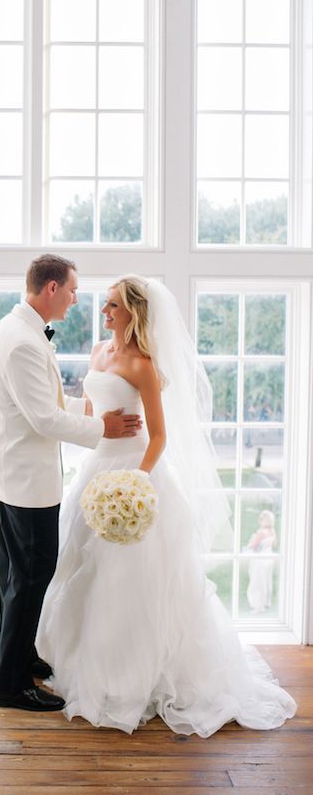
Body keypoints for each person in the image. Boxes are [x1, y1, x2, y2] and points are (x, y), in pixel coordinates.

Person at [37, 275, 296, 736]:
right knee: (84, 568)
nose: (105, 312)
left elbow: (158, 436)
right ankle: (87, 669)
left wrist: (137, 481)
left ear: (133, 311)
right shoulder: (99, 352)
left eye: (113, 305)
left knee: (130, 581)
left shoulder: (144, 366)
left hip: (135, 475)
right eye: (105, 305)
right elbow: (93, 411)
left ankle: (132, 679)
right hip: (96, 471)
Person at [0, 254, 142, 713]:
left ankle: (20, 658)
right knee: (29, 580)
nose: (77, 300)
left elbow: (46, 403)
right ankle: (8, 686)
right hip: (26, 483)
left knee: (16, 578)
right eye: (73, 291)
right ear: (51, 289)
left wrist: (88, 411)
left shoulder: (20, 332)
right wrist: (103, 431)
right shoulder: (22, 343)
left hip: (14, 477)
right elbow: (42, 418)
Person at [246, 509, 277, 614]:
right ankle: (266, 602)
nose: (259, 520)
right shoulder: (272, 532)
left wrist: (250, 542)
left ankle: (258, 606)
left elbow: (254, 546)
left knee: (257, 582)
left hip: (259, 560)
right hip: (269, 559)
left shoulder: (261, 532)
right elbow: (273, 545)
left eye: (261, 518)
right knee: (267, 581)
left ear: (264, 520)